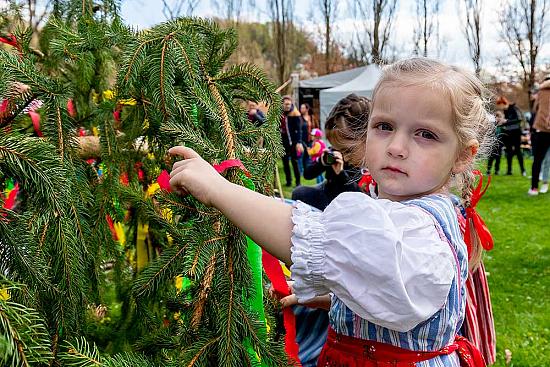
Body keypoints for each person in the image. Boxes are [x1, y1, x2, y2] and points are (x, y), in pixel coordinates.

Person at [168, 58, 492, 367]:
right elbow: (387, 296)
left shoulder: (418, 229)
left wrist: (217, 189)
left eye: (425, 134)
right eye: (384, 126)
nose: (396, 146)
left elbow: (309, 238)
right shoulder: (396, 210)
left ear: (463, 156)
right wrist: (330, 298)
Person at [292, 94, 370, 210]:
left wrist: (341, 173)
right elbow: (307, 174)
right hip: (327, 190)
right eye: (335, 146)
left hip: (346, 199)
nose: (345, 156)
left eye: (346, 150)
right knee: (299, 192)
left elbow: (360, 197)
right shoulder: (335, 152)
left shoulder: (363, 162)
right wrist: (322, 162)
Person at [528, 76, 550, 195]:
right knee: (548, 160)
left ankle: (534, 188)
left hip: (541, 130)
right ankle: (545, 184)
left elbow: (535, 109)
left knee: (538, 160)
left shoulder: (541, 92)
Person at [495, 96, 526, 176]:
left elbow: (518, 120)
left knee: (518, 151)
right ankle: (509, 171)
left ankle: (523, 170)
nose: (499, 107)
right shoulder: (505, 111)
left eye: (499, 105)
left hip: (516, 133)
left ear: (503, 103)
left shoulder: (513, 108)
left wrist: (506, 121)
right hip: (508, 134)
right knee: (509, 152)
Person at [280, 95, 304, 187]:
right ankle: (288, 181)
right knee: (285, 162)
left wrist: (299, 142)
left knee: (295, 162)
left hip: (293, 142)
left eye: (289, 104)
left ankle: (298, 182)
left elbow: (299, 129)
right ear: (282, 104)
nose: (288, 106)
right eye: (286, 104)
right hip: (283, 141)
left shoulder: (295, 114)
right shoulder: (280, 114)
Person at [486, 110, 505, 175]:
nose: (498, 118)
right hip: (493, 144)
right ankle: (488, 170)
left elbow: (503, 135)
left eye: (499, 117)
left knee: (498, 158)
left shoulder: (503, 126)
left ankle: (497, 170)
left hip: (499, 144)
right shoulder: (492, 125)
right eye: (497, 117)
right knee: (491, 158)